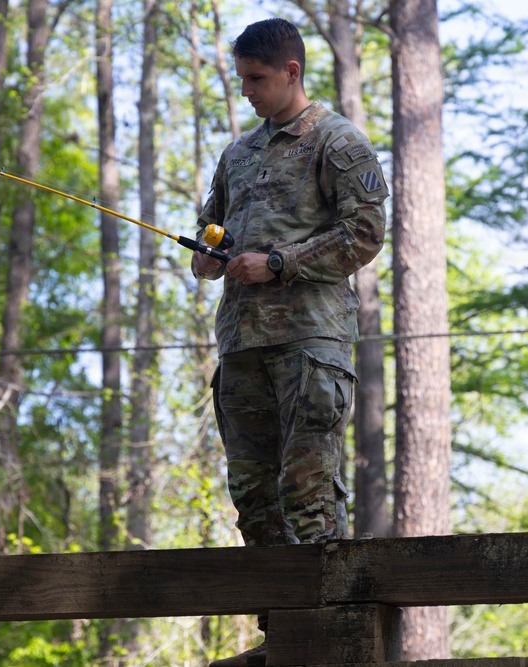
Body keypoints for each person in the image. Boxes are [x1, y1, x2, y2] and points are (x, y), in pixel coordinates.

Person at [192, 17, 388, 667]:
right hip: (241, 348)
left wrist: (279, 263)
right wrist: (210, 255)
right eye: (241, 78)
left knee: (307, 493)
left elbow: (364, 236)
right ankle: (285, 634)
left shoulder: (337, 142)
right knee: (252, 497)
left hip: (310, 344)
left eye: (256, 79)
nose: (246, 90)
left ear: (291, 73)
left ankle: (328, 635)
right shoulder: (237, 155)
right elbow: (211, 232)